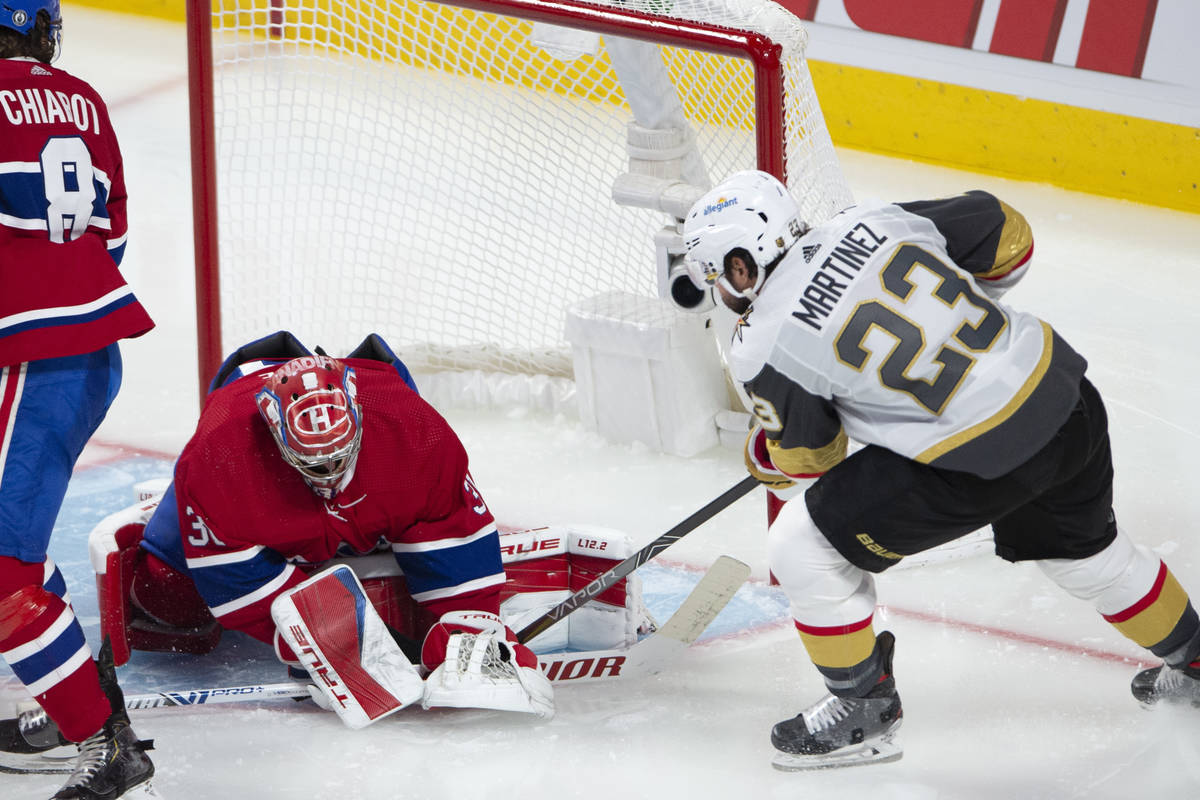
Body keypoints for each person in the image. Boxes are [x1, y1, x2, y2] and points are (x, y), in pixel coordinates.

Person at [681, 170, 1200, 770]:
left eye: (721, 277)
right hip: (1065, 396)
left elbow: (810, 461)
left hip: (982, 460)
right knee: (1087, 554)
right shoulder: (873, 221)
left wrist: (762, 454)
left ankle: (863, 711)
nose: (723, 291)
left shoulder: (762, 341)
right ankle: (1193, 659)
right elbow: (1012, 238)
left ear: (743, 266)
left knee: (801, 544)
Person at [124, 330, 552, 720]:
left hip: (377, 465)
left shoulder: (414, 429)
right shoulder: (218, 455)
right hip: (251, 486)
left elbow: (450, 525)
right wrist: (335, 642)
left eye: (338, 458)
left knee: (420, 526)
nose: (328, 473)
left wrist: (467, 627)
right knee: (164, 594)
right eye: (313, 463)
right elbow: (231, 576)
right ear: (275, 433)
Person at [0, 2, 159, 797]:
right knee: (13, 551)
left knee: (0, 570)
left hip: (30, 362)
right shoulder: (84, 99)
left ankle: (103, 748)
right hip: (89, 352)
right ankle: (87, 711)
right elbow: (112, 232)